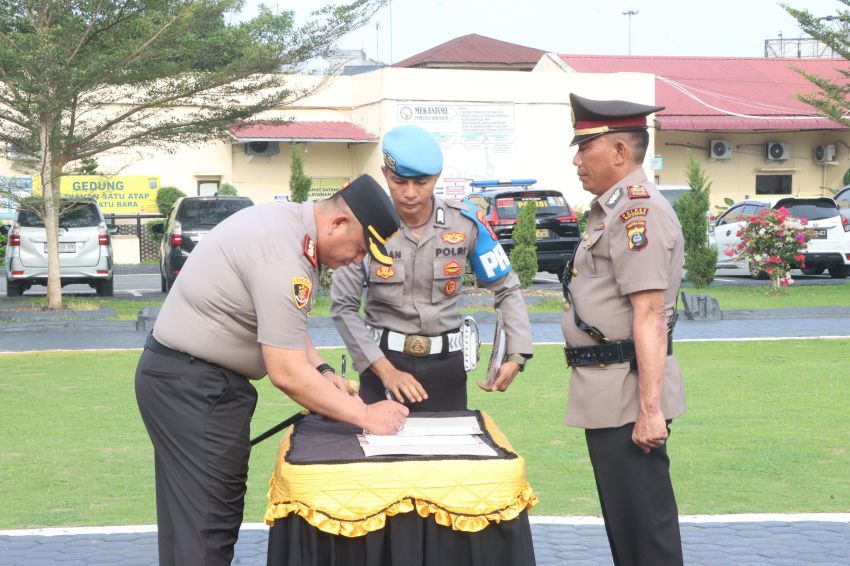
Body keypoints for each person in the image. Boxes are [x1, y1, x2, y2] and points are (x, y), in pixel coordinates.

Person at [135, 174, 409, 566]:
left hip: (188, 380)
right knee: (207, 526)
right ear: (337, 224)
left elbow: (284, 326)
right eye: (362, 249)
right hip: (193, 386)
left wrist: (324, 370)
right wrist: (367, 415)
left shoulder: (290, 227)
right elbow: (286, 373)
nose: (358, 260)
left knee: (195, 523)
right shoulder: (284, 256)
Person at [561, 93, 687, 566]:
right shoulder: (611, 210)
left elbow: (650, 313)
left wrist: (650, 410)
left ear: (619, 151)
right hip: (609, 390)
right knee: (629, 529)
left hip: (628, 393)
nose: (577, 159)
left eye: (585, 146)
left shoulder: (638, 212)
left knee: (644, 533)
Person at [331, 124, 533, 411]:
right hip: (381, 365)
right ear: (385, 174)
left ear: (437, 177)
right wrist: (386, 372)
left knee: (449, 455)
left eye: (422, 182)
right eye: (399, 182)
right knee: (383, 454)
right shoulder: (364, 226)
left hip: (446, 369)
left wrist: (516, 355)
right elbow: (343, 307)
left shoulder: (466, 223)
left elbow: (507, 287)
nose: (410, 193)